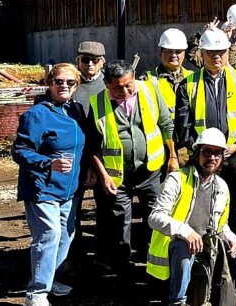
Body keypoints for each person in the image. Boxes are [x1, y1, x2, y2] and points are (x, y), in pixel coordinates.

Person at [89, 59, 177, 273]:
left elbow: (166, 125)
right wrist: (103, 175)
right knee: (120, 222)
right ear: (107, 84)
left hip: (151, 172)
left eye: (129, 84)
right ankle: (123, 267)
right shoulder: (97, 104)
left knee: (156, 214)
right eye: (118, 88)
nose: (125, 91)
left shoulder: (150, 91)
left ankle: (155, 261)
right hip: (117, 176)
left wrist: (173, 156)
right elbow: (93, 145)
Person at [147, 128, 236, 306]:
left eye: (217, 153)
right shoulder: (177, 179)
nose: (212, 158)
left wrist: (231, 239)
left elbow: (222, 224)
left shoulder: (221, 187)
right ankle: (177, 300)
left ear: (222, 158)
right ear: (197, 153)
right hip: (177, 249)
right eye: (207, 152)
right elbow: (155, 217)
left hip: (207, 248)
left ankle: (211, 290)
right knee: (184, 247)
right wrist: (185, 232)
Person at [174, 28, 236, 237]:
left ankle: (234, 250)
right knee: (203, 201)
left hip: (235, 154)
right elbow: (183, 124)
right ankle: (205, 247)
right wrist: (203, 150)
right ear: (201, 53)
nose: (216, 56)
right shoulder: (188, 84)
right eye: (211, 52)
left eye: (221, 52)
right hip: (205, 156)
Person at [13, 64, 87, 306]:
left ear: (76, 85)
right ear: (49, 83)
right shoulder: (37, 115)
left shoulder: (75, 110)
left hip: (69, 188)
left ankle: (48, 278)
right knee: (49, 234)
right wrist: (48, 163)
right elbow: (20, 151)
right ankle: (36, 294)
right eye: (58, 81)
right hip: (42, 186)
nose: (64, 86)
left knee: (66, 235)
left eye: (70, 82)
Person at [144, 28, 192, 119]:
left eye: (178, 51)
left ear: (184, 54)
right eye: (169, 51)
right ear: (161, 53)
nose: (173, 55)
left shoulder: (192, 77)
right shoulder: (148, 80)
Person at [72, 41, 106, 116]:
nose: (90, 64)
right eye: (85, 60)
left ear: (102, 63)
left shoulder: (110, 82)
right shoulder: (69, 82)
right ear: (77, 61)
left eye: (95, 60)